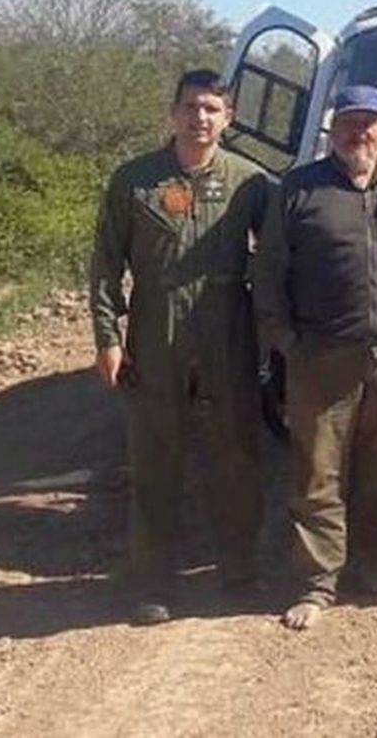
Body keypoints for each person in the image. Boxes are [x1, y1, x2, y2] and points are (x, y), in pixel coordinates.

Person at [252, 84, 377, 630]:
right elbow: (268, 274)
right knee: (318, 472)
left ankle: (376, 567)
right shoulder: (298, 189)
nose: (361, 133)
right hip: (321, 357)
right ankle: (317, 583)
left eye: (370, 124)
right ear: (334, 130)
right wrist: (285, 341)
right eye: (350, 123)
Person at [89, 68, 271, 626]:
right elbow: (105, 266)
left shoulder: (251, 182)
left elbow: (279, 258)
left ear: (228, 118)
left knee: (236, 452)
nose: (201, 117)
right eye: (192, 106)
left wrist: (274, 332)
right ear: (173, 112)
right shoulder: (135, 180)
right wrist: (107, 337)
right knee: (154, 457)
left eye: (213, 108)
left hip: (226, 326)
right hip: (155, 325)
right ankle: (152, 581)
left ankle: (238, 569)